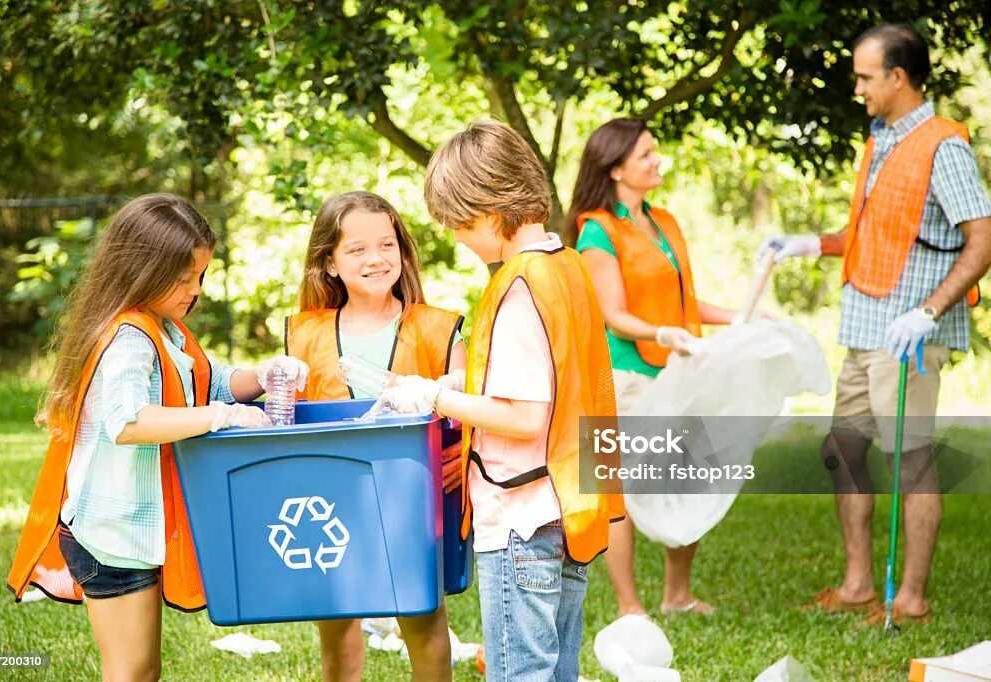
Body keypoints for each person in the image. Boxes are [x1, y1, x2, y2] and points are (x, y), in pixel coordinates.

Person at [7, 193, 308, 680]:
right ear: (142, 270)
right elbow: (129, 423)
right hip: (110, 534)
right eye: (184, 277)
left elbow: (206, 380)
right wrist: (222, 418)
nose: (196, 289)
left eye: (201, 276)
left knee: (146, 669)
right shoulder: (128, 338)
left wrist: (265, 374)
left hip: (134, 533)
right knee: (129, 671)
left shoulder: (164, 330)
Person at [759, 24, 991, 625]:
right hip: (864, 328)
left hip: (908, 336)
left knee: (910, 461)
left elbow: (981, 239)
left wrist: (929, 312)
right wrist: (811, 243)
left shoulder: (943, 146)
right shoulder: (881, 138)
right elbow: (874, 235)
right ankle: (858, 585)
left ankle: (910, 601)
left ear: (897, 77)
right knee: (843, 451)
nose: (856, 86)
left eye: (864, 76)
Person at [381, 120, 624, 681]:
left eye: (457, 223)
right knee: (555, 671)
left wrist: (434, 394)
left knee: (520, 674)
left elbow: (522, 416)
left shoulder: (518, 287)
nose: (456, 237)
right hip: (570, 507)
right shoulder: (566, 266)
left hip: (523, 519)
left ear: (488, 211)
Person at [285, 190, 464, 682]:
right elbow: (289, 422)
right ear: (329, 264)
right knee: (338, 632)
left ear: (403, 252)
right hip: (329, 498)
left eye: (387, 245)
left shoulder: (436, 328)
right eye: (357, 249)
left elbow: (470, 409)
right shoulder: (304, 334)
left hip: (410, 500)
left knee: (424, 625)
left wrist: (464, 455)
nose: (376, 258)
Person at [568, 118, 742, 617]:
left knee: (689, 479)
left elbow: (685, 301)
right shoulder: (597, 231)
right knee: (620, 494)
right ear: (617, 167)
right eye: (645, 154)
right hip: (625, 377)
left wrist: (743, 317)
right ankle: (630, 607)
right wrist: (661, 334)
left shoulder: (664, 221)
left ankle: (678, 596)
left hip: (679, 373)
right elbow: (613, 316)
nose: (656, 160)